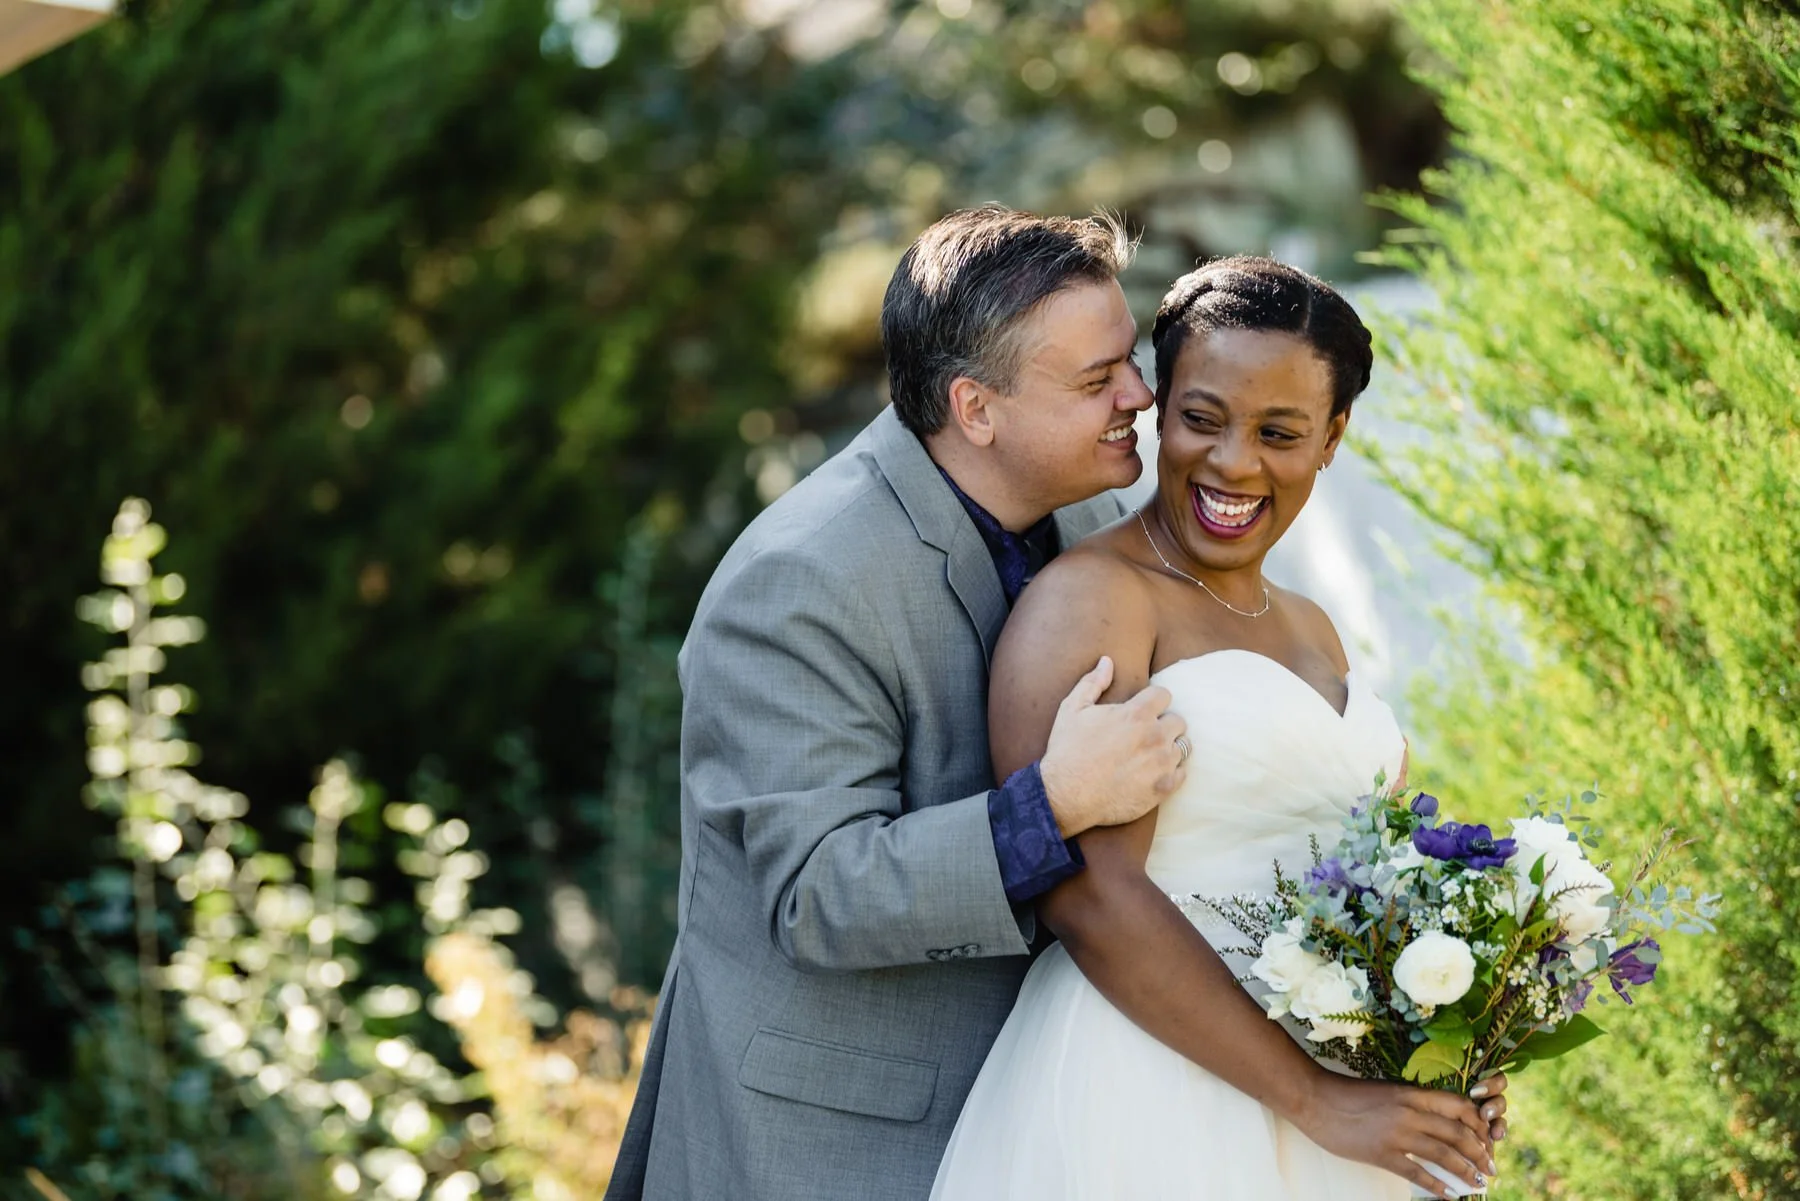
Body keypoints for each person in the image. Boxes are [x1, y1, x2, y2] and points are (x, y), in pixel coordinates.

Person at [604, 207, 1194, 1201]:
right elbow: (817, 892)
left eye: (1128, 360)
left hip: (1051, 1108)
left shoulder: (1096, 514)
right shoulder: (799, 582)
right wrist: (1047, 807)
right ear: (975, 408)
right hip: (835, 1142)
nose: (1141, 395)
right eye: (1098, 380)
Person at [930, 257, 1508, 1200]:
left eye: (1278, 432)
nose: (1233, 462)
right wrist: (1316, 1099)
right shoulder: (1091, 602)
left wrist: (1444, 1048)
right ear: (1159, 409)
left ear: (1333, 437)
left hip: (1339, 1109)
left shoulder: (1314, 624)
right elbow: (1086, 895)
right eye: (1201, 418)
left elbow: (1369, 887)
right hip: (1150, 1092)